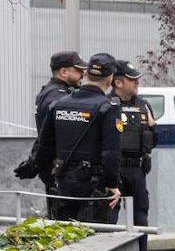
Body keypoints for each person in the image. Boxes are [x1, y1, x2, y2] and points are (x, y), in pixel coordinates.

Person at [32, 53, 122, 223]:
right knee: (98, 236)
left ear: (86, 73)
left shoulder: (59, 104)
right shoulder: (108, 107)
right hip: (94, 189)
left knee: (66, 235)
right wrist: (112, 184)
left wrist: (39, 170)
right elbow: (111, 153)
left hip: (63, 184)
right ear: (110, 79)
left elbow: (44, 145)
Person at [112, 60, 166, 251]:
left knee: (141, 221)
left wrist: (153, 128)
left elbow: (153, 141)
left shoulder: (143, 105)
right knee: (108, 221)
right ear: (118, 82)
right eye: (132, 79)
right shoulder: (107, 103)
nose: (137, 83)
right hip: (112, 170)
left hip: (136, 170)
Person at [33, 52, 88, 208]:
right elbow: (54, 136)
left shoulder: (51, 92)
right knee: (65, 217)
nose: (82, 74)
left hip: (58, 167)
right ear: (64, 72)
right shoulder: (57, 97)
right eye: (78, 70)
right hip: (59, 168)